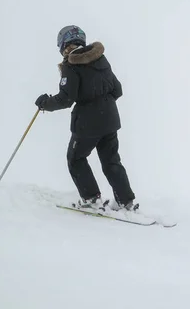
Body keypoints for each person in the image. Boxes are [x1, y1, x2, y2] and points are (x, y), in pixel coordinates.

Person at [35, 25, 139, 213]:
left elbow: (66, 99)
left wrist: (45, 103)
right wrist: (103, 104)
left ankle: (91, 198)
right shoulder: (100, 58)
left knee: (75, 158)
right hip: (110, 119)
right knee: (111, 161)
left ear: (63, 44)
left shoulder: (71, 65)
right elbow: (118, 89)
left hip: (88, 123)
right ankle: (126, 202)